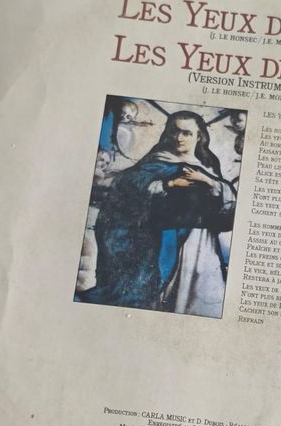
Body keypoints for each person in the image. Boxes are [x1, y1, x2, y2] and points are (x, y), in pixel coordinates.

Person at [76, 111, 237, 317]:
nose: (179, 138)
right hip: (166, 239)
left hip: (202, 242)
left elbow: (226, 201)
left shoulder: (208, 165)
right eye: (174, 131)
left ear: (199, 136)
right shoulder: (156, 161)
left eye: (186, 133)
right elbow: (125, 186)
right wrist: (169, 184)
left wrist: (209, 182)